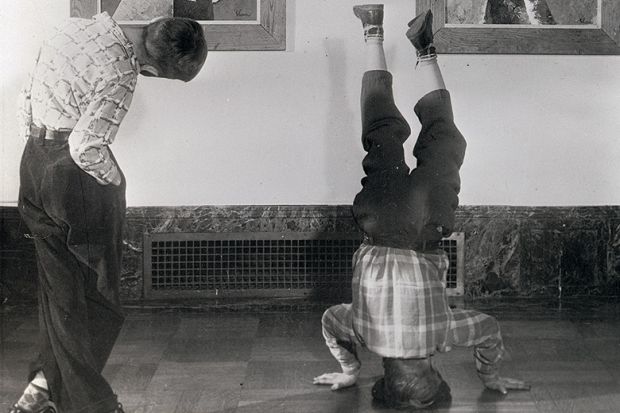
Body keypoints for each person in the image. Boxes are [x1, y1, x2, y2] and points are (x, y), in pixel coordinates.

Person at [313, 5, 530, 409]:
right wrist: (349, 368)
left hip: (426, 226)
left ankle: (425, 49)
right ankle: (373, 31)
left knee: (444, 139)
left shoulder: (442, 336)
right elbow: (329, 321)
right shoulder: (362, 330)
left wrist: (490, 374)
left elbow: (489, 329)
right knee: (382, 131)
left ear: (433, 370)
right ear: (383, 378)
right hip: (380, 220)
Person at [14, 12, 208, 413]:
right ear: (153, 68)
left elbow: (26, 100)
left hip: (33, 161)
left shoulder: (72, 26)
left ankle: (38, 392)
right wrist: (114, 181)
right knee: (98, 296)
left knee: (60, 295)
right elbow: (86, 146)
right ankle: (94, 405)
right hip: (74, 177)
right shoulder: (122, 70)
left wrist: (42, 152)